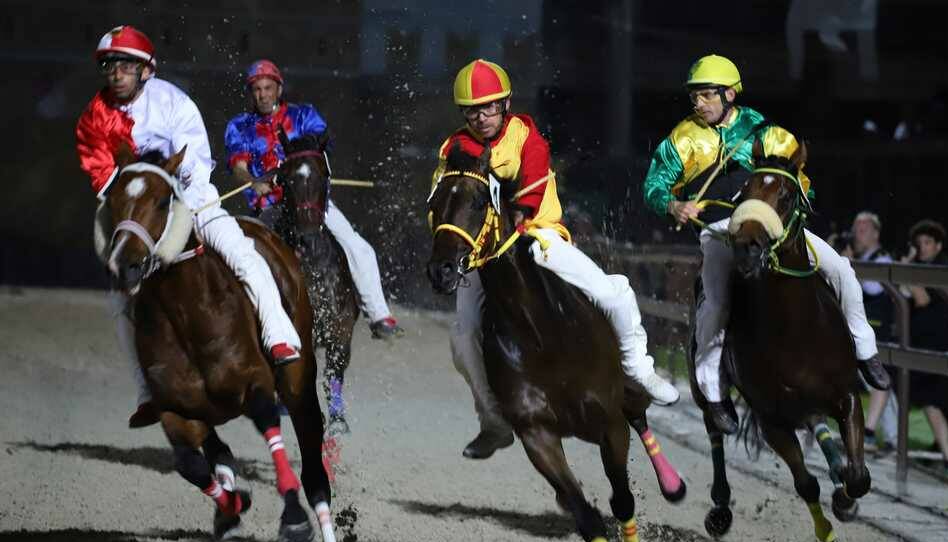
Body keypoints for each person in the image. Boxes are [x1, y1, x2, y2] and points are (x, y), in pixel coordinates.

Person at [433, 59, 680, 459]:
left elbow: (530, 182)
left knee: (614, 291)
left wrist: (521, 212)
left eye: (489, 107)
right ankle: (493, 420)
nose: (480, 117)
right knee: (462, 336)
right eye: (471, 110)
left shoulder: (526, 135)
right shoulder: (454, 149)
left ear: (506, 104)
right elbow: (443, 199)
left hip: (538, 236)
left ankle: (639, 369)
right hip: (484, 257)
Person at [642, 54, 891, 434]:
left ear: (729, 94)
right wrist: (672, 204)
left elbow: (796, 174)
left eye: (706, 95)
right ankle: (713, 393)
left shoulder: (763, 130)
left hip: (772, 222)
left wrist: (796, 203)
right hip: (718, 231)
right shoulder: (681, 138)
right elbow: (653, 187)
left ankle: (865, 350)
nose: (698, 103)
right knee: (716, 304)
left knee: (840, 268)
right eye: (694, 96)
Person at [76, 26, 302, 428]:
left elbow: (195, 162)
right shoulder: (94, 116)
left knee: (243, 254)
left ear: (147, 72)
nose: (116, 73)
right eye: (111, 65)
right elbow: (101, 174)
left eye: (127, 66)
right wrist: (134, 204)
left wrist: (169, 199)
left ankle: (280, 338)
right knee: (118, 297)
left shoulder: (173, 102)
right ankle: (148, 392)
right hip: (137, 214)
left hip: (190, 200)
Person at [224, 59, 402, 339]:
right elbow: (238, 167)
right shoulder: (239, 126)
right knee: (241, 257)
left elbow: (319, 147)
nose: (263, 95)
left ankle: (380, 315)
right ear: (250, 92)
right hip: (270, 207)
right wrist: (254, 182)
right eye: (257, 89)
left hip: (311, 201)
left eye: (268, 87)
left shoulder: (304, 115)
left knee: (359, 247)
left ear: (279, 88)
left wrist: (292, 170)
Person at [900, 219, 948, 474]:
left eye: (927, 243)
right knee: (928, 399)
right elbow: (904, 292)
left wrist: (904, 268)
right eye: (919, 243)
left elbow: (922, 299)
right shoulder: (921, 267)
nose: (922, 247)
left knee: (932, 399)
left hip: (939, 343)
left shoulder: (941, 268)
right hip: (921, 342)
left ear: (938, 246)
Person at [847, 211, 899, 453]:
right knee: (879, 381)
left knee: (877, 377)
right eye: (856, 228)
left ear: (876, 233)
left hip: (879, 327)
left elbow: (874, 288)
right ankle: (892, 439)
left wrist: (847, 267)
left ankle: (871, 433)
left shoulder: (882, 258)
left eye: (864, 228)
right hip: (863, 326)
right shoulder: (862, 256)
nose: (858, 232)